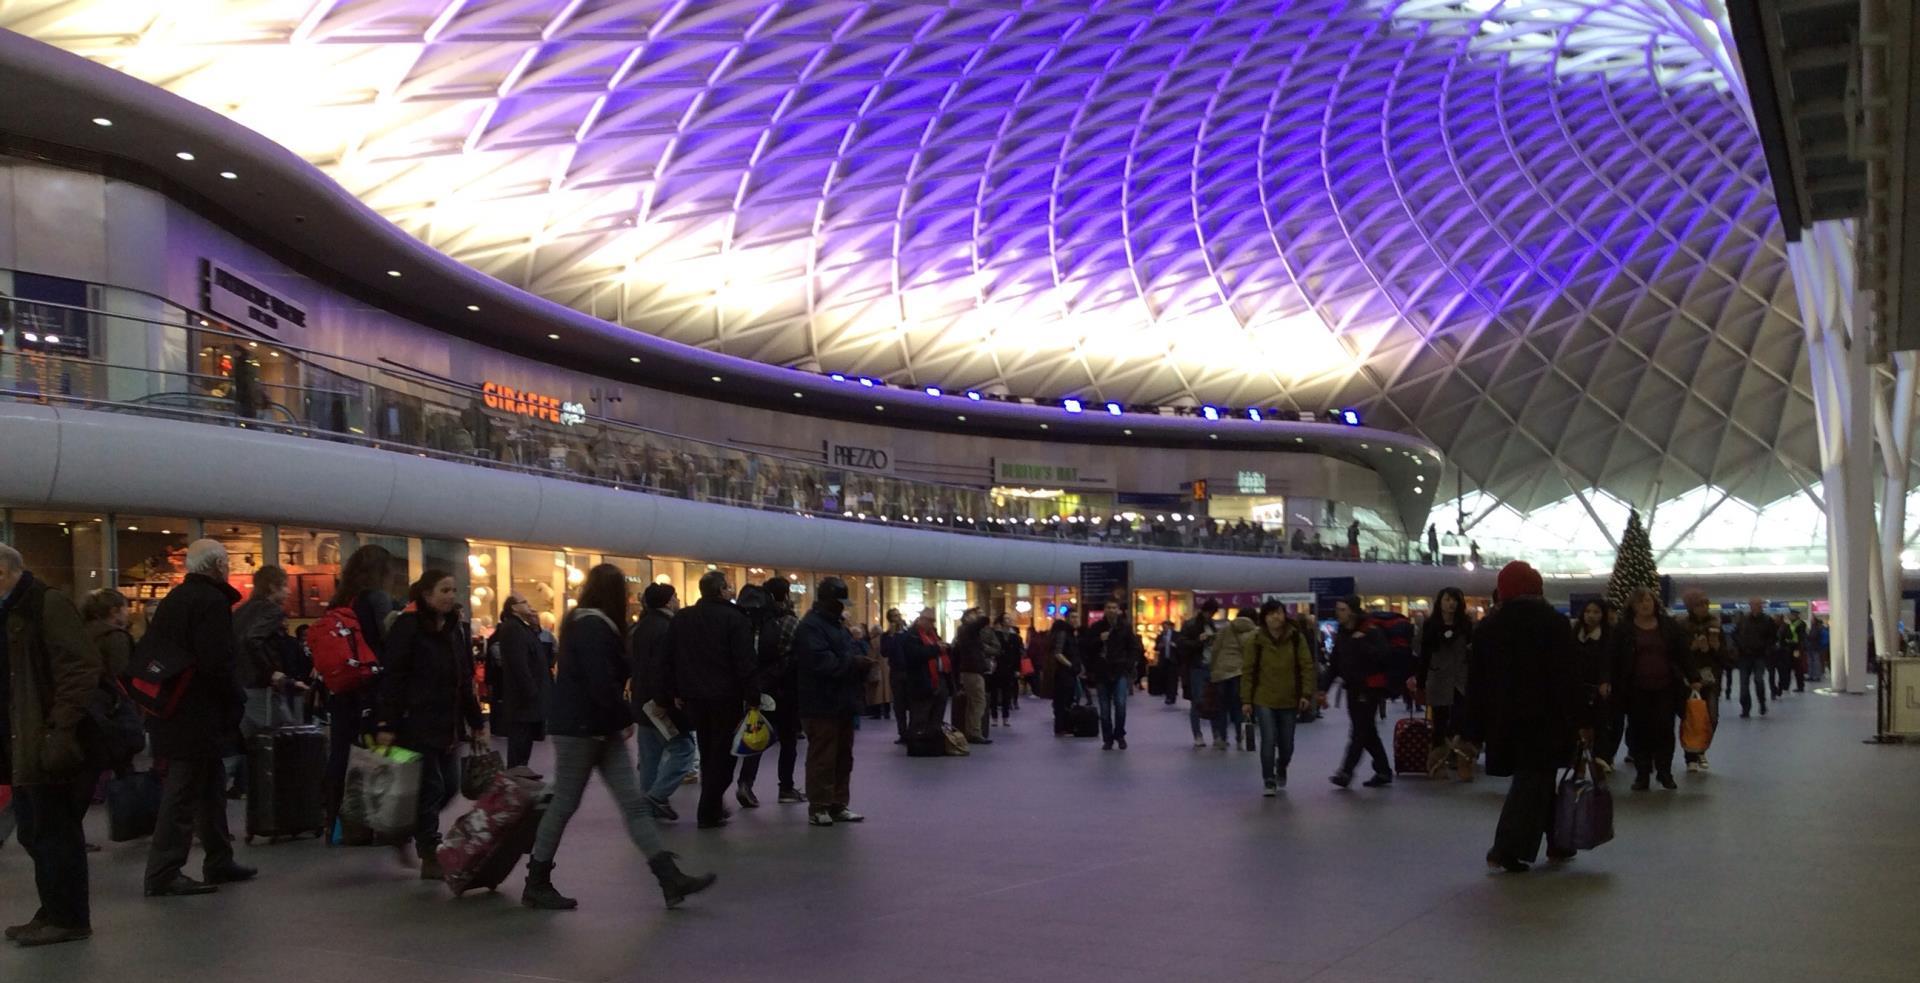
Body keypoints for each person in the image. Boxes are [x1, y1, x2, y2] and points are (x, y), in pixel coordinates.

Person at [521, 565, 715, 910]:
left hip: (590, 727)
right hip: (584, 729)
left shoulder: (584, 622)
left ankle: (669, 877)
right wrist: (622, 717)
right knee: (569, 803)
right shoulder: (594, 626)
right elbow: (601, 682)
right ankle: (536, 880)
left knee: (629, 803)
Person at [142, 539, 257, 897]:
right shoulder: (211, 602)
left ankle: (219, 857)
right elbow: (216, 662)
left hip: (173, 707)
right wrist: (235, 699)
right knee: (184, 789)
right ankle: (164, 871)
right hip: (197, 712)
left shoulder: (176, 599)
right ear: (219, 565)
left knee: (208, 786)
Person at [1, 544, 101, 946]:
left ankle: (69, 916)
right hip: (21, 736)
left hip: (44, 737)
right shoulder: (13, 611)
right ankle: (53, 909)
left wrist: (58, 727)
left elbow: (80, 666)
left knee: (53, 828)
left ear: (6, 571)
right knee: (33, 829)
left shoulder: (45, 604)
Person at [1468, 561, 1579, 872]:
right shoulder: (1555, 624)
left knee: (1536, 780)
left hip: (1505, 719)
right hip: (1547, 718)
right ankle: (1505, 848)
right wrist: (1581, 719)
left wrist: (1471, 728)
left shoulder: (1489, 627)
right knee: (1534, 780)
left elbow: (1477, 681)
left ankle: (1559, 842)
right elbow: (1568, 676)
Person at [374, 569, 485, 878]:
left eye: (453, 590)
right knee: (430, 786)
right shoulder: (407, 627)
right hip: (416, 721)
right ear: (426, 594)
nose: (451, 596)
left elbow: (464, 678)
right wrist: (387, 723)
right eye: (444, 590)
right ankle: (429, 852)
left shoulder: (455, 628)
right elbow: (394, 677)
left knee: (449, 785)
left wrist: (476, 721)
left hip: (447, 722)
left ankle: (406, 829)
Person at [662, 570, 758, 829]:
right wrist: (753, 695)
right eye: (728, 587)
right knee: (725, 754)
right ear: (721, 590)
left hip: (693, 696)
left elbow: (670, 657)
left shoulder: (682, 618)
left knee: (706, 750)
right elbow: (744, 660)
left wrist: (675, 690)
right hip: (725, 696)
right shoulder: (734, 619)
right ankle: (709, 807)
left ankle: (712, 806)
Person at [321, 544, 396, 830]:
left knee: (341, 751)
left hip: (342, 685)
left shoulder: (340, 599)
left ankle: (334, 819)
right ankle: (366, 818)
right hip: (370, 684)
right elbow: (387, 639)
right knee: (374, 750)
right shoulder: (377, 598)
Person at [795, 577, 874, 825]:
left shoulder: (834, 626)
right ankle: (819, 806)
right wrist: (854, 664)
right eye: (838, 601)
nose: (842, 606)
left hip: (840, 700)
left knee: (842, 755)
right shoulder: (811, 627)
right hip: (820, 702)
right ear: (827, 601)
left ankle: (838, 804)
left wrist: (854, 662)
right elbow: (820, 663)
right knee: (823, 756)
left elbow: (841, 656)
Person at [628, 583, 694, 820]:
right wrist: (669, 698)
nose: (677, 601)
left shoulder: (639, 627)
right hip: (660, 703)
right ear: (668, 601)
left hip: (641, 699)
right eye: (675, 597)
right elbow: (665, 668)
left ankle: (647, 805)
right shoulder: (667, 628)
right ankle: (656, 796)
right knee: (684, 749)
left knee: (649, 756)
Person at [737, 577, 803, 807]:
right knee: (788, 741)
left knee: (756, 737)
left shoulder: (751, 621)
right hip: (785, 689)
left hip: (757, 687)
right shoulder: (788, 622)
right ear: (784, 595)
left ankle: (745, 783)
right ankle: (786, 788)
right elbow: (797, 653)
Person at [1242, 600, 1315, 794]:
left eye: (1280, 613)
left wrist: (1306, 693)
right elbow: (1248, 671)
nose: (1276, 617)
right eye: (1271, 613)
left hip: (1289, 699)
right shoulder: (1255, 641)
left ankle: (1281, 766)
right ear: (1264, 618)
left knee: (1287, 744)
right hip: (1263, 698)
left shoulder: (1295, 638)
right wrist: (1246, 700)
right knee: (1268, 739)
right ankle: (1268, 779)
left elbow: (1306, 666)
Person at [1618, 588, 1687, 791]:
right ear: (1633, 606)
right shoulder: (1624, 629)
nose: (1645, 604)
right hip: (1635, 688)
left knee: (1665, 729)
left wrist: (1693, 677)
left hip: (1665, 686)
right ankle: (1642, 772)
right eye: (1641, 602)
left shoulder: (1668, 626)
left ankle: (1664, 771)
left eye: (1648, 600)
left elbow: (1682, 653)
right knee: (1639, 730)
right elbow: (1613, 657)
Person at [1318, 595, 1390, 788]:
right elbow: (1335, 664)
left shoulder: (1371, 630)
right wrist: (1323, 689)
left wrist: (1362, 643)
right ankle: (1383, 770)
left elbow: (1383, 657)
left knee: (1359, 731)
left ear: (1352, 611)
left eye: (1342, 609)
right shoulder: (1343, 632)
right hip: (1353, 688)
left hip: (1369, 688)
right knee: (1367, 731)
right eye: (1337, 610)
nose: (1338, 613)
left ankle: (1346, 771)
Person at [233, 565, 302, 748]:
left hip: (240, 686)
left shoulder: (240, 611)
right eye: (285, 586)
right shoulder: (273, 611)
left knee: (247, 744)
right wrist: (271, 672)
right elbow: (252, 639)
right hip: (262, 688)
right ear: (273, 587)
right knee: (279, 739)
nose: (288, 591)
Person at [1410, 587, 1473, 778]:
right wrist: (1420, 684)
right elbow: (1424, 656)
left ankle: (1463, 761)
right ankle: (1437, 764)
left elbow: (1472, 652)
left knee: (1461, 722)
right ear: (1440, 602)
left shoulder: (1466, 625)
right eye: (1447, 600)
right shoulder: (1430, 626)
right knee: (1439, 722)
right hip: (1438, 679)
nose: (1451, 603)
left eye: (1454, 600)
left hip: (1461, 679)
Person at [489, 593, 550, 771]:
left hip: (526, 699)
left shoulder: (521, 627)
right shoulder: (512, 628)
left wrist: (534, 624)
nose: (529, 605)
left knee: (525, 743)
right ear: (514, 607)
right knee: (520, 744)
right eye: (524, 602)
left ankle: (520, 774)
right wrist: (531, 691)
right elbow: (519, 664)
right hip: (522, 700)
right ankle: (516, 777)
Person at [1571, 599, 1622, 771]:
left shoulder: (1608, 636)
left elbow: (1608, 661)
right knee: (1579, 727)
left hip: (1599, 688)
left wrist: (1605, 681)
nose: (1591, 616)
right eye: (1588, 612)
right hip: (1578, 687)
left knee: (1599, 724)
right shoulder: (1575, 633)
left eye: (1596, 612)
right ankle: (1579, 765)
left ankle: (1599, 759)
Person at [1087, 598, 1144, 750]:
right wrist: (1099, 639)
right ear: (1104, 610)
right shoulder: (1096, 627)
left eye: (1114, 607)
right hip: (1102, 671)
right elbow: (1087, 647)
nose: (1111, 610)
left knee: (1120, 704)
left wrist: (1129, 664)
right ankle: (1107, 738)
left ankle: (1119, 734)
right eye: (1108, 607)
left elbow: (1134, 647)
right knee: (1104, 709)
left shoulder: (1124, 627)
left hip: (1120, 671)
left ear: (1118, 610)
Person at [1678, 589, 1723, 773]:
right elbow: (1677, 653)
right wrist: (1693, 647)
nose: (1703, 607)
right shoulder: (1681, 626)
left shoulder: (1715, 625)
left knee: (1712, 717)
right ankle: (1690, 755)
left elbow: (1726, 655)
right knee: (1690, 716)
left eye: (1706, 604)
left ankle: (1701, 748)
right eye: (1699, 604)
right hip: (1689, 678)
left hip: (1710, 678)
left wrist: (1715, 648)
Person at [901, 608, 952, 738]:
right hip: (921, 680)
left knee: (937, 713)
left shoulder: (933, 634)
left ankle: (933, 741)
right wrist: (936, 649)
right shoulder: (911, 635)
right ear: (921, 619)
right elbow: (915, 654)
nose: (932, 624)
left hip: (938, 678)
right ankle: (917, 742)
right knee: (920, 715)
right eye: (929, 620)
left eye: (933, 621)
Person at [1208, 609, 1255, 750]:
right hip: (1239, 672)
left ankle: (1222, 738)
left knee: (1222, 707)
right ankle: (1240, 738)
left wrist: (1213, 668)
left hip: (1222, 672)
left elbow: (1215, 649)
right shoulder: (1252, 631)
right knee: (1238, 706)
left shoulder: (1225, 629)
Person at [1177, 600, 1220, 748]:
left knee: (1214, 701)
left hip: (1210, 665)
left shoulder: (1212, 625)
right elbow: (1182, 644)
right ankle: (1198, 734)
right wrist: (1198, 641)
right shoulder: (1191, 625)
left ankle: (1215, 734)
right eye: (1210, 612)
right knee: (1197, 700)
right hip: (1197, 666)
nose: (1211, 615)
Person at [950, 608, 993, 744]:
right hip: (973, 670)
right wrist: (982, 615)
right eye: (974, 615)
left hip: (969, 669)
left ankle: (971, 730)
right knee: (979, 701)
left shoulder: (963, 631)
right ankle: (975, 731)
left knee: (973, 702)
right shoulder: (968, 629)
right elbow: (984, 621)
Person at [1733, 598, 1776, 718]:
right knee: (1744, 684)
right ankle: (1745, 708)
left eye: (1758, 605)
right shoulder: (1743, 620)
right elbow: (1735, 634)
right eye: (1753, 605)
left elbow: (1773, 637)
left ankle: (1762, 703)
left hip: (1760, 656)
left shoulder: (1767, 620)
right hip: (1745, 656)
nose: (1756, 607)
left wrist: (1766, 649)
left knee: (1759, 680)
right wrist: (1741, 646)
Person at [1047, 607, 1081, 735]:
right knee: (1062, 699)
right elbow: (1058, 653)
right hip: (1063, 672)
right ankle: (1061, 727)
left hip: (1070, 671)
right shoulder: (1064, 633)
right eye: (1072, 617)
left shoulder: (1072, 633)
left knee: (1068, 699)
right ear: (1067, 619)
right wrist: (1070, 665)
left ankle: (1065, 725)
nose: (1075, 620)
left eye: (1077, 617)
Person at [988, 614, 1022, 726]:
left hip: (1009, 667)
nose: (1009, 620)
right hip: (997, 666)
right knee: (994, 692)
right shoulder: (995, 635)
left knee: (1007, 693)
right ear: (1001, 622)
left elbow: (1017, 654)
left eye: (1010, 618)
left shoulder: (1015, 637)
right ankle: (994, 717)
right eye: (1006, 619)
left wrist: (1017, 668)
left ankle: (1005, 716)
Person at [1783, 608, 1809, 693]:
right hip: (1790, 647)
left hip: (1796, 648)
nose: (1790, 616)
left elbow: (1801, 637)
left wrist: (1798, 648)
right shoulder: (1791, 624)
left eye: (1791, 615)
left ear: (1796, 615)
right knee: (1788, 667)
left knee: (1798, 667)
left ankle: (1800, 686)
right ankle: (1786, 686)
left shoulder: (1800, 624)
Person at [1154, 620, 1179, 705]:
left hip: (1173, 660)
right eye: (1163, 627)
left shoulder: (1176, 635)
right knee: (1165, 677)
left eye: (1166, 626)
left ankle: (1171, 696)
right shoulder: (1160, 636)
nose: (1164, 628)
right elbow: (1156, 648)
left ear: (1170, 626)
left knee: (1172, 679)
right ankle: (1167, 694)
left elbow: (1180, 646)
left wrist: (1173, 644)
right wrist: (1159, 646)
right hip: (1164, 660)